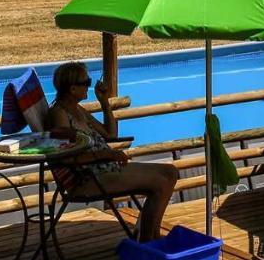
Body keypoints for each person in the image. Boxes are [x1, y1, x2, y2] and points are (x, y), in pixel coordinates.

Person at [45, 61, 179, 242]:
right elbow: (67, 158)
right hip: (89, 177)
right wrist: (107, 154)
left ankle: (150, 239)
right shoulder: (59, 115)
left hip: (105, 167)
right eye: (86, 82)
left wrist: (104, 102)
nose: (89, 85)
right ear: (72, 88)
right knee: (160, 183)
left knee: (171, 172)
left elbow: (110, 133)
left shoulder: (77, 109)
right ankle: (148, 242)